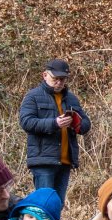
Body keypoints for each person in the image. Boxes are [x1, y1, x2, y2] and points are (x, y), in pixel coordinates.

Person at [19, 59, 90, 197]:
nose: (59, 82)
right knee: (45, 204)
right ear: (45, 75)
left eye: (62, 79)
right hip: (43, 161)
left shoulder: (71, 99)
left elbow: (86, 125)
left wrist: (75, 123)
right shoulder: (32, 96)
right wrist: (54, 123)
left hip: (65, 162)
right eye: (55, 79)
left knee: (58, 204)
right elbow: (26, 122)